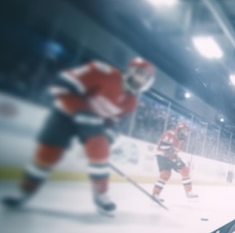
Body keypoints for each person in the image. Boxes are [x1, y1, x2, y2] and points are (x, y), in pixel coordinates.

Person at [2, 57, 156, 214]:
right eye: (140, 74)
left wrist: (106, 137)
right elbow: (62, 83)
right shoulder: (103, 72)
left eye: (146, 77)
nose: (141, 80)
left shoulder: (131, 101)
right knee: (48, 153)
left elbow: (113, 123)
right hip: (65, 114)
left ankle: (101, 194)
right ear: (130, 71)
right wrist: (80, 109)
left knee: (100, 150)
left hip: (93, 123)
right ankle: (25, 192)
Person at [151, 122, 198, 200]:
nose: (185, 133)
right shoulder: (170, 133)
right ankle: (155, 194)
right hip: (163, 155)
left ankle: (189, 192)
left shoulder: (182, 140)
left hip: (172, 156)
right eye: (184, 131)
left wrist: (174, 154)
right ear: (179, 129)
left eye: (186, 131)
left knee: (184, 171)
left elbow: (176, 150)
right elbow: (162, 145)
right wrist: (171, 151)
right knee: (165, 175)